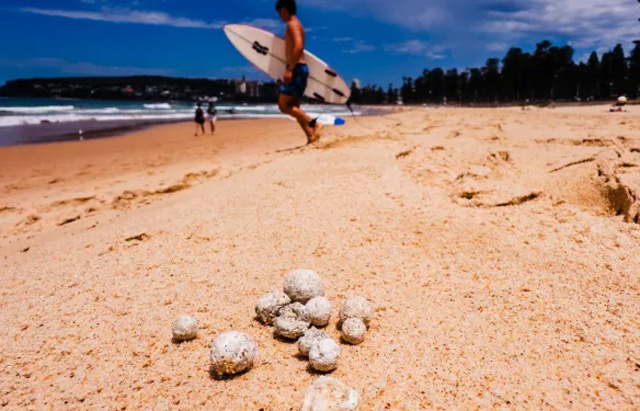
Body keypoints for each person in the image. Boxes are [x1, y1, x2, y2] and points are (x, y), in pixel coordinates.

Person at [275, 0, 321, 145]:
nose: (279, 16)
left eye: (279, 12)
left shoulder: (292, 24)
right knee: (295, 106)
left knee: (284, 106)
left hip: (296, 68)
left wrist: (289, 70)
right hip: (299, 68)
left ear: (284, 9)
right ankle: (311, 136)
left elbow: (298, 45)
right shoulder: (297, 24)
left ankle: (315, 124)